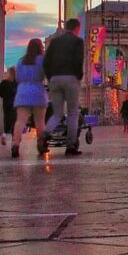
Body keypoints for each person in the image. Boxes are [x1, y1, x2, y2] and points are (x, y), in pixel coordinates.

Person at [39, 18, 85, 156]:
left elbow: (46, 62)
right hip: (70, 78)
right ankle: (71, 146)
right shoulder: (78, 42)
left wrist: (50, 77)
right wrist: (78, 76)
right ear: (76, 28)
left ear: (65, 27)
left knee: (57, 113)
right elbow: (78, 60)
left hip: (54, 79)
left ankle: (45, 135)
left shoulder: (55, 42)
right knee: (72, 113)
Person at [12, 38, 49, 159]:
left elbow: (17, 78)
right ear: (40, 48)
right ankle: (41, 144)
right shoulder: (42, 60)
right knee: (40, 121)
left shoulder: (21, 61)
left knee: (20, 121)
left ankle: (15, 145)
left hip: (22, 92)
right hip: (37, 91)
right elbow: (46, 74)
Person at [0, 66, 17, 145]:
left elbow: (0, 93)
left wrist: (5, 96)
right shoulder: (16, 83)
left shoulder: (4, 82)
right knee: (15, 122)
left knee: (7, 120)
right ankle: (14, 139)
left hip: (6, 103)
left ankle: (4, 135)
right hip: (15, 104)